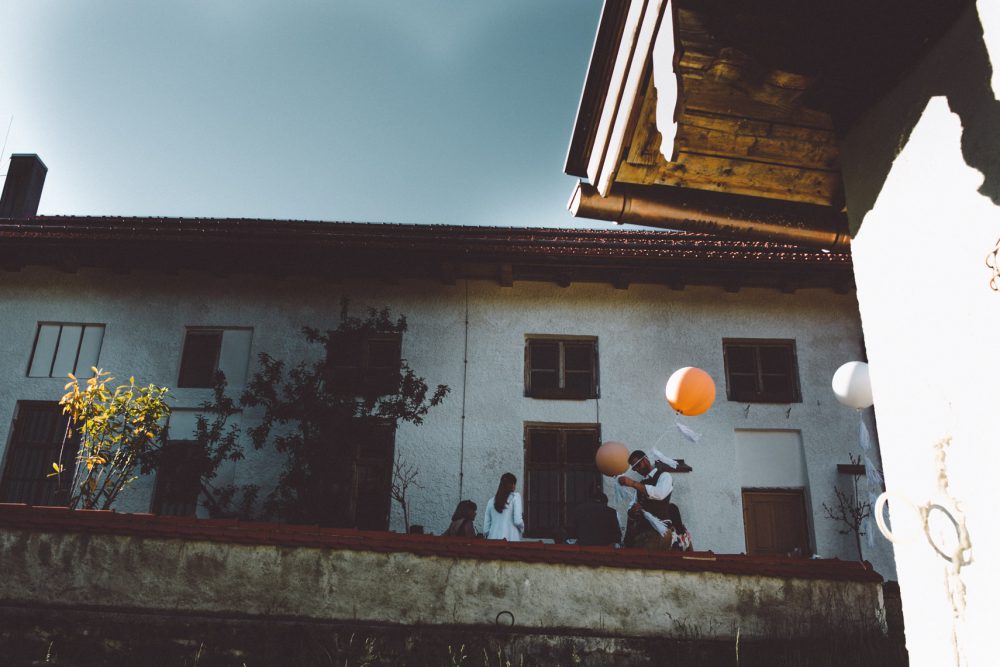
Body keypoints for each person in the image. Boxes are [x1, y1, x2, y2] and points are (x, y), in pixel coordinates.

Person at [618, 449, 675, 549]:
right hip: (642, 532)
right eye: (634, 469)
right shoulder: (642, 483)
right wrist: (632, 510)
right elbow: (632, 504)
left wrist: (633, 483)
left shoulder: (664, 476)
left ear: (645, 460)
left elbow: (660, 494)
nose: (637, 470)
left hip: (659, 531)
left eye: (637, 466)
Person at [484, 472, 524, 541]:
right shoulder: (515, 497)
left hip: (493, 541)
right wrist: (522, 528)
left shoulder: (491, 501)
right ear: (513, 485)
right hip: (511, 540)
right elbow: (517, 521)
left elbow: (486, 529)